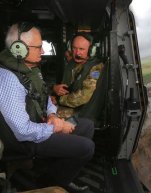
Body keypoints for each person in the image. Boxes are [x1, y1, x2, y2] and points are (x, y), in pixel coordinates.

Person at [0, 22, 94, 192]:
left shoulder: (30, 68)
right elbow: (22, 131)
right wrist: (55, 127)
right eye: (38, 47)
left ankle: (56, 171)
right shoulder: (9, 80)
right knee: (87, 149)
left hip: (40, 123)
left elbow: (45, 97)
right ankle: (49, 182)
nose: (42, 51)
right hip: (24, 140)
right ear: (19, 49)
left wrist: (52, 115)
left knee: (87, 126)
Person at [52, 32, 103, 119]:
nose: (77, 53)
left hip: (82, 111)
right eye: (74, 48)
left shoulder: (96, 68)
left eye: (81, 49)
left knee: (50, 118)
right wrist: (55, 90)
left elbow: (83, 96)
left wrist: (59, 99)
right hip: (68, 103)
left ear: (91, 50)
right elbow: (66, 85)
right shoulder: (72, 63)